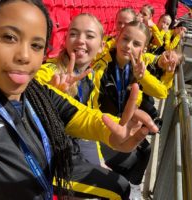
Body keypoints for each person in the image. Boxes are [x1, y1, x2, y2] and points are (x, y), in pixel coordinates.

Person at [0, 1, 158, 199]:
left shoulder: (37, 93)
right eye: (9, 37)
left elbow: (83, 116)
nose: (24, 55)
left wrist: (115, 131)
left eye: (36, 45)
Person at [35, 13, 131, 199]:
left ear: (102, 45)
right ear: (65, 40)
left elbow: (88, 118)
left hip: (74, 149)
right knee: (120, 187)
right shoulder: (49, 72)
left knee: (132, 157)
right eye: (73, 34)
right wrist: (51, 97)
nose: (80, 40)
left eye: (89, 35)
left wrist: (99, 160)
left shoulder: (89, 76)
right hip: (49, 160)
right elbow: (35, 85)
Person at [91, 21, 179, 199]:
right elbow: (90, 109)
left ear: (144, 49)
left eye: (136, 43)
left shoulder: (138, 65)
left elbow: (162, 93)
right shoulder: (101, 66)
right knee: (130, 161)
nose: (128, 46)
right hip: (99, 127)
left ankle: (133, 188)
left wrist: (142, 76)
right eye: (125, 39)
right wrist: (97, 155)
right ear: (117, 37)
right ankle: (120, 189)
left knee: (145, 150)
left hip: (119, 121)